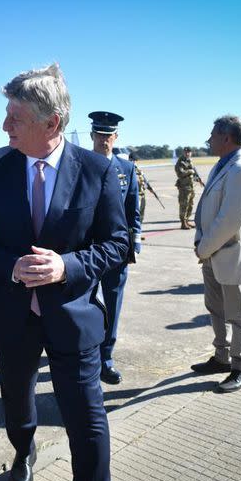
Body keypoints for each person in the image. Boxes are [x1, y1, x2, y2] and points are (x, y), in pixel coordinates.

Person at [0, 64, 128, 481]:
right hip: (12, 315)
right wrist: (10, 265)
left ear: (51, 123)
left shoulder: (96, 170)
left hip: (72, 316)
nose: (4, 126)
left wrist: (66, 266)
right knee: (17, 403)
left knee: (87, 419)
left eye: (15, 118)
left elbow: (117, 244)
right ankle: (23, 452)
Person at [190, 115, 241, 393]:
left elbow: (229, 220)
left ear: (226, 137)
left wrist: (203, 247)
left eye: (212, 134)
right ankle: (221, 357)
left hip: (233, 252)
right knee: (215, 308)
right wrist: (203, 243)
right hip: (214, 252)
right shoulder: (223, 165)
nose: (209, 139)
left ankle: (240, 366)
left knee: (238, 315)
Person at [88, 111, 141, 385]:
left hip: (116, 252)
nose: (104, 140)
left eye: (109, 136)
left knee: (113, 305)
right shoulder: (79, 165)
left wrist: (135, 242)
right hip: (86, 252)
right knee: (83, 305)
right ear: (92, 136)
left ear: (116, 137)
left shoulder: (126, 168)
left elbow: (133, 210)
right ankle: (85, 353)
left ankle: (105, 358)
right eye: (99, 135)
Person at [175, 147, 196, 229]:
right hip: (184, 187)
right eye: (186, 152)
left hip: (191, 187)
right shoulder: (180, 162)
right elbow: (180, 173)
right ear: (183, 153)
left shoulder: (190, 161)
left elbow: (193, 174)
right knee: (184, 204)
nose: (188, 153)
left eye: (189, 152)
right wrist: (190, 171)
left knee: (190, 204)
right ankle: (183, 223)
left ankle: (187, 220)